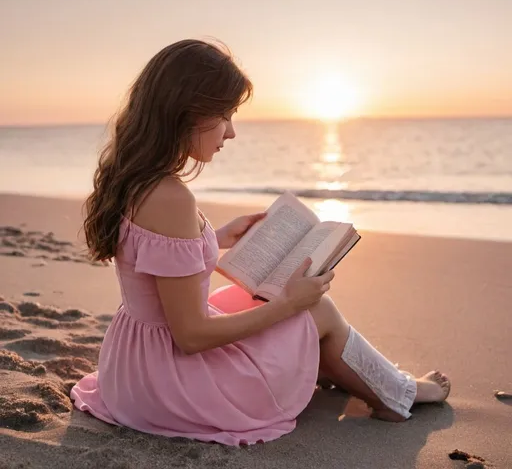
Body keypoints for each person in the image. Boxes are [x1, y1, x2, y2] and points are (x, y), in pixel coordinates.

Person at [71, 39, 451, 446]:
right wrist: (291, 303)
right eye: (224, 115)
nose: (231, 132)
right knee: (316, 309)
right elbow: (191, 336)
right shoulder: (171, 197)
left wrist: (214, 240)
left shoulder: (134, 177)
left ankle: (348, 372)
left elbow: (147, 263)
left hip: (134, 366)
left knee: (245, 297)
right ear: (185, 112)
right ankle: (397, 395)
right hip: (170, 384)